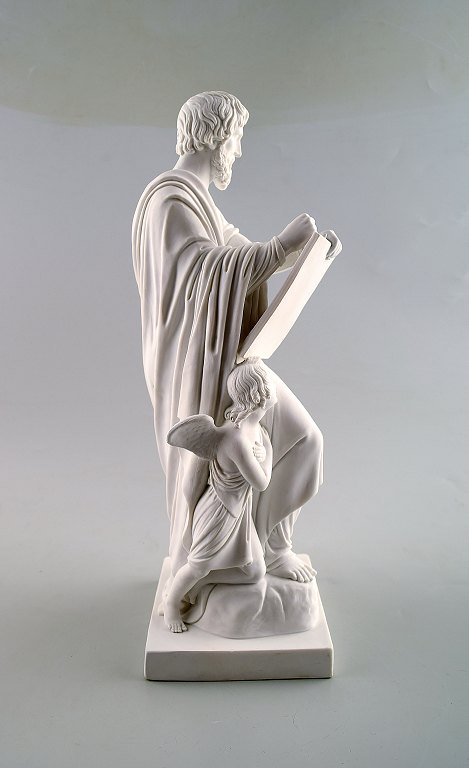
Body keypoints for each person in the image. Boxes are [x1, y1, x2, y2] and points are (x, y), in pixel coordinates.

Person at [132, 91, 341, 597]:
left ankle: (272, 545)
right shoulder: (169, 202)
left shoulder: (199, 202)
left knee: (305, 440)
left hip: (232, 358)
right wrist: (279, 247)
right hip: (202, 368)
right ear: (216, 136)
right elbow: (203, 273)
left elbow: (241, 256)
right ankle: (227, 563)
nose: (239, 151)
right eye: (237, 139)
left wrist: (304, 256)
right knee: (291, 443)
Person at [164, 358, 276, 633]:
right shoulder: (236, 439)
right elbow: (261, 482)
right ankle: (172, 603)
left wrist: (263, 450)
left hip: (239, 511)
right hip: (219, 512)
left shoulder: (254, 429)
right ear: (259, 393)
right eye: (269, 382)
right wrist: (267, 455)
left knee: (255, 572)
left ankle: (199, 585)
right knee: (197, 566)